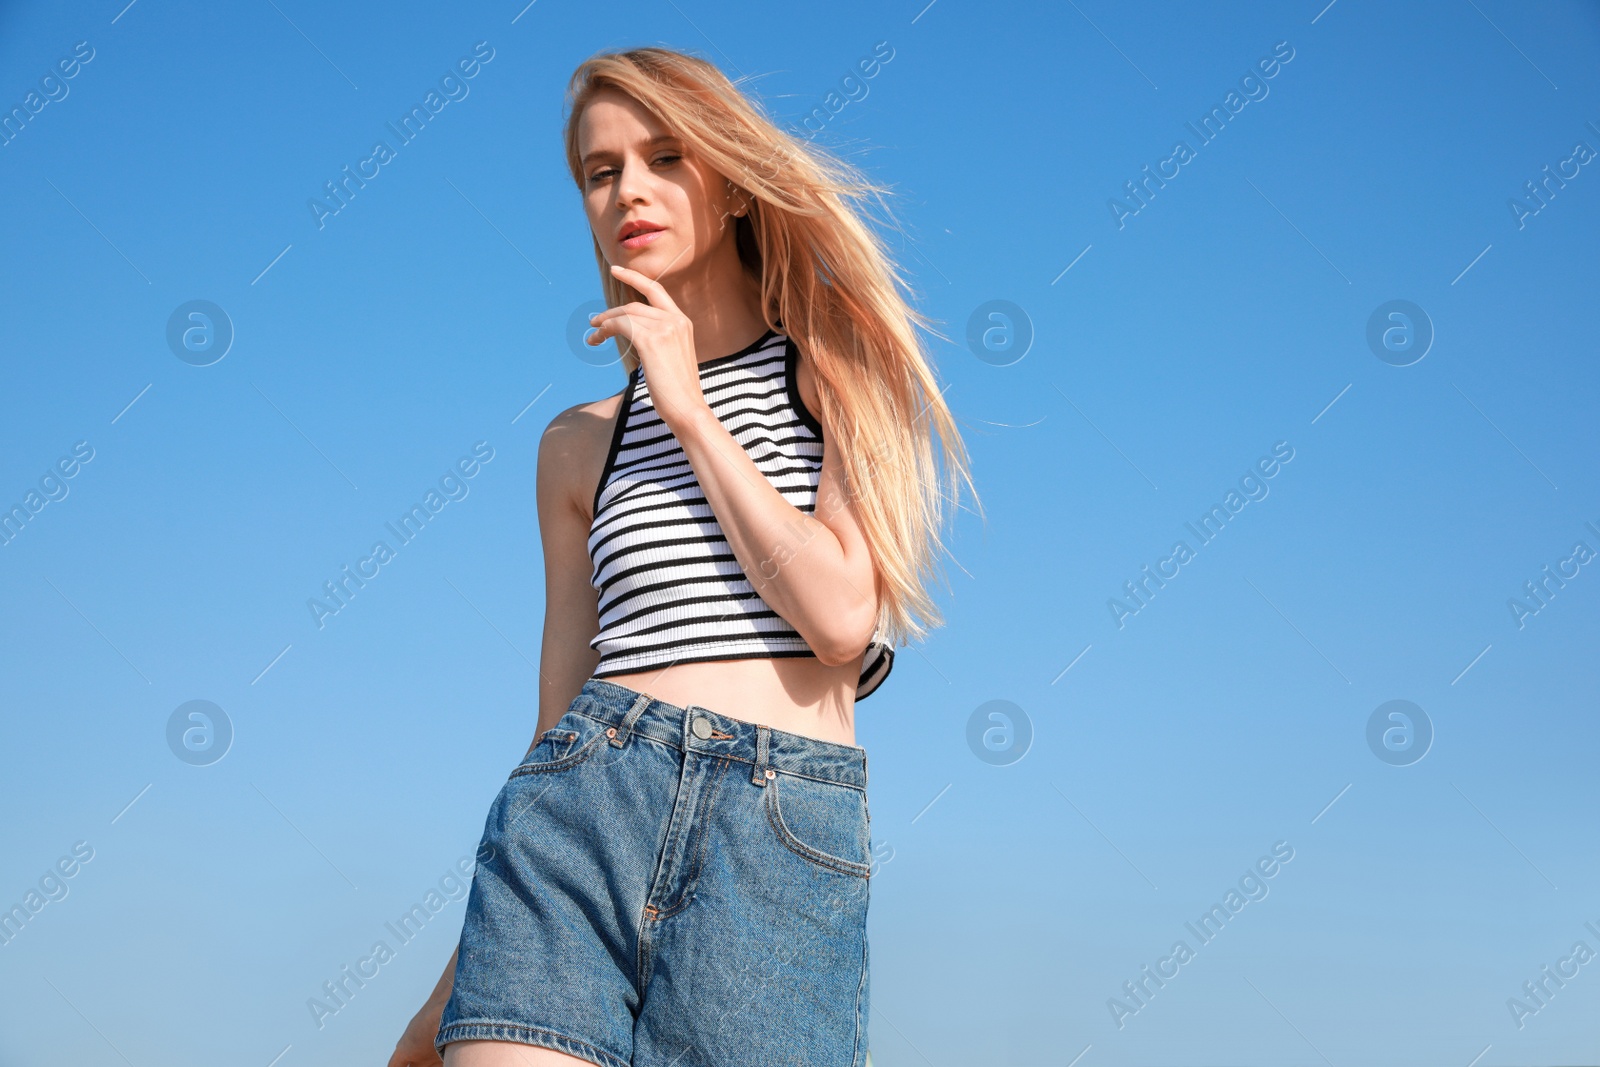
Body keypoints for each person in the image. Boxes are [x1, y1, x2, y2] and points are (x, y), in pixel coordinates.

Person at [387, 45, 975, 1067]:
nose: (629, 191)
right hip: (576, 810)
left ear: (734, 182)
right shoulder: (576, 442)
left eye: (665, 155)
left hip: (776, 832)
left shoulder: (840, 369)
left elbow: (839, 619)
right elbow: (554, 715)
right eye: (599, 170)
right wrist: (458, 974)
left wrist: (690, 411)